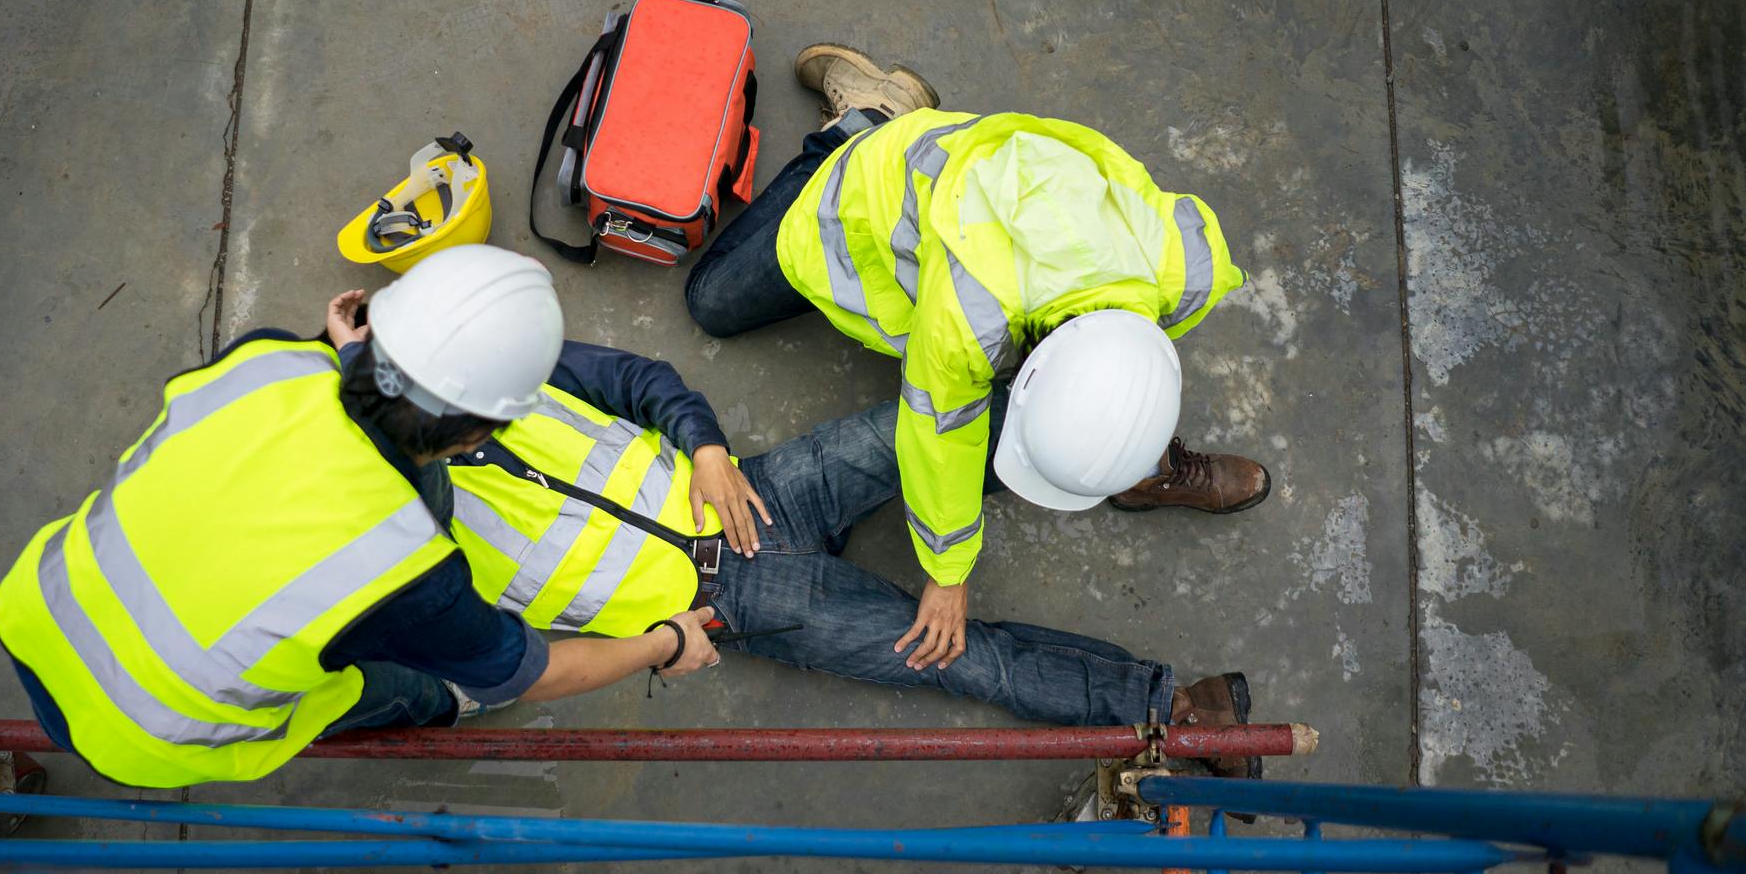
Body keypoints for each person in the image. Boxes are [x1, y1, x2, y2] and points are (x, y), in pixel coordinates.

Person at [327, 305, 1266, 780]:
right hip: (732, 604)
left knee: (933, 429)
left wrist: (702, 449)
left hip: (755, 488)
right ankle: (1179, 707)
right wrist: (667, 643)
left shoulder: (472, 374)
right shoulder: (401, 565)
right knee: (960, 657)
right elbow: (494, 673)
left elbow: (637, 378)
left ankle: (1121, 461)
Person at [0, 247, 720, 789]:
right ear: (474, 437)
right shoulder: (408, 566)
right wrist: (664, 641)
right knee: (392, 680)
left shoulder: (267, 358)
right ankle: (443, 700)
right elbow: (537, 673)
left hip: (38, 603)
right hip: (145, 730)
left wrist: (348, 358)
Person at [685, 45, 1273, 672]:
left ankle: (1141, 467)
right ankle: (868, 117)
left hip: (978, 202)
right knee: (712, 302)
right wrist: (948, 574)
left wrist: (1123, 430)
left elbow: (1130, 369)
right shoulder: (968, 319)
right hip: (863, 199)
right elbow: (940, 437)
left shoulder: (1188, 267)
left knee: (1088, 404)